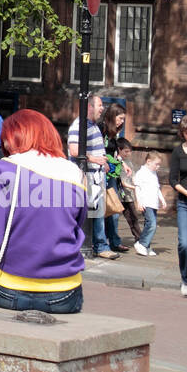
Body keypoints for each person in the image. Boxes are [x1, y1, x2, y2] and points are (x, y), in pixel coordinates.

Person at [0, 109, 86, 314]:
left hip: (11, 289)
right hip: (65, 292)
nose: (5, 146)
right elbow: (76, 226)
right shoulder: (75, 173)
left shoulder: (4, 169)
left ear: (15, 138)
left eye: (6, 140)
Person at [67, 93, 121, 260]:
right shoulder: (79, 125)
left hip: (96, 176)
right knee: (91, 214)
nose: (102, 108)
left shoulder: (93, 125)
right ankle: (98, 245)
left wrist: (103, 162)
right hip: (86, 177)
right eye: (99, 105)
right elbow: (74, 151)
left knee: (96, 213)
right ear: (89, 107)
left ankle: (97, 244)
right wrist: (95, 159)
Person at [101, 105, 136, 246]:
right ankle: (103, 240)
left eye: (123, 119)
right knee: (102, 210)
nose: (121, 121)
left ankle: (114, 241)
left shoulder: (114, 133)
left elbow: (115, 153)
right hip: (102, 174)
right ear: (112, 116)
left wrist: (124, 164)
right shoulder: (101, 129)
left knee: (115, 208)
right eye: (120, 118)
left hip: (112, 175)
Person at [169, 115, 187, 298]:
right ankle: (186, 279)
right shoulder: (178, 152)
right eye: (186, 132)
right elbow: (172, 179)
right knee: (185, 244)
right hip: (185, 203)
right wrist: (186, 192)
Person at [133, 151, 166, 258]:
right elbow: (137, 188)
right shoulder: (141, 173)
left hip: (153, 203)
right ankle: (142, 243)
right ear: (148, 161)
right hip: (146, 203)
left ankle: (146, 246)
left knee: (149, 225)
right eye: (156, 164)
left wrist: (162, 199)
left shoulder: (153, 173)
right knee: (152, 224)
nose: (158, 167)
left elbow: (157, 188)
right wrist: (139, 202)